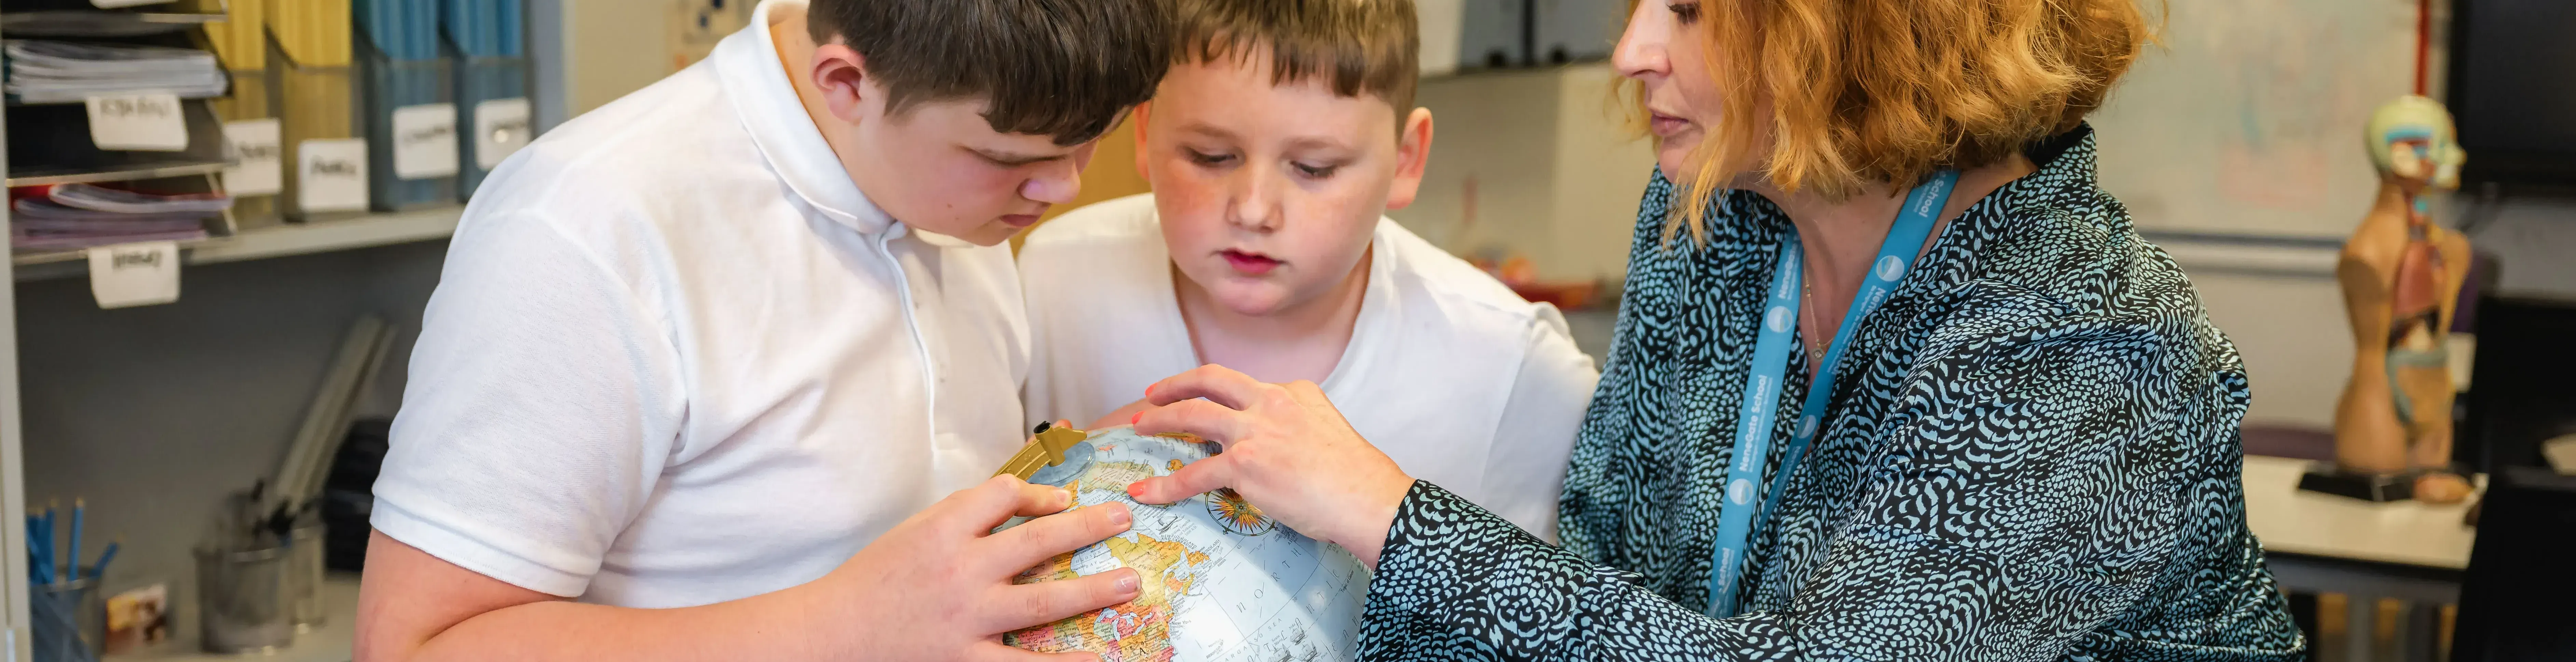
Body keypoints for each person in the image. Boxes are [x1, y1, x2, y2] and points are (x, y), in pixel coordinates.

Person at [1118, 0, 2308, 659]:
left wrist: (1386, 510)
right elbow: (1595, 588)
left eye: (1687, 9)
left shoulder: (2093, 341)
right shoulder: (1710, 226)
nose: (1634, 49)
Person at [352, 0, 1165, 659]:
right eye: (1006, 155)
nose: (1062, 188)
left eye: (1090, 139)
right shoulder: (587, 225)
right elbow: (416, 644)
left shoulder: (954, 185)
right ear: (846, 82)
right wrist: (844, 625)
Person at [1016, 0, 1597, 540]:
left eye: (1314, 168)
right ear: (1145, 132)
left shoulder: (1513, 368)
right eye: (1210, 157)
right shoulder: (1053, 281)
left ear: (1406, 160)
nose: (1253, 210)